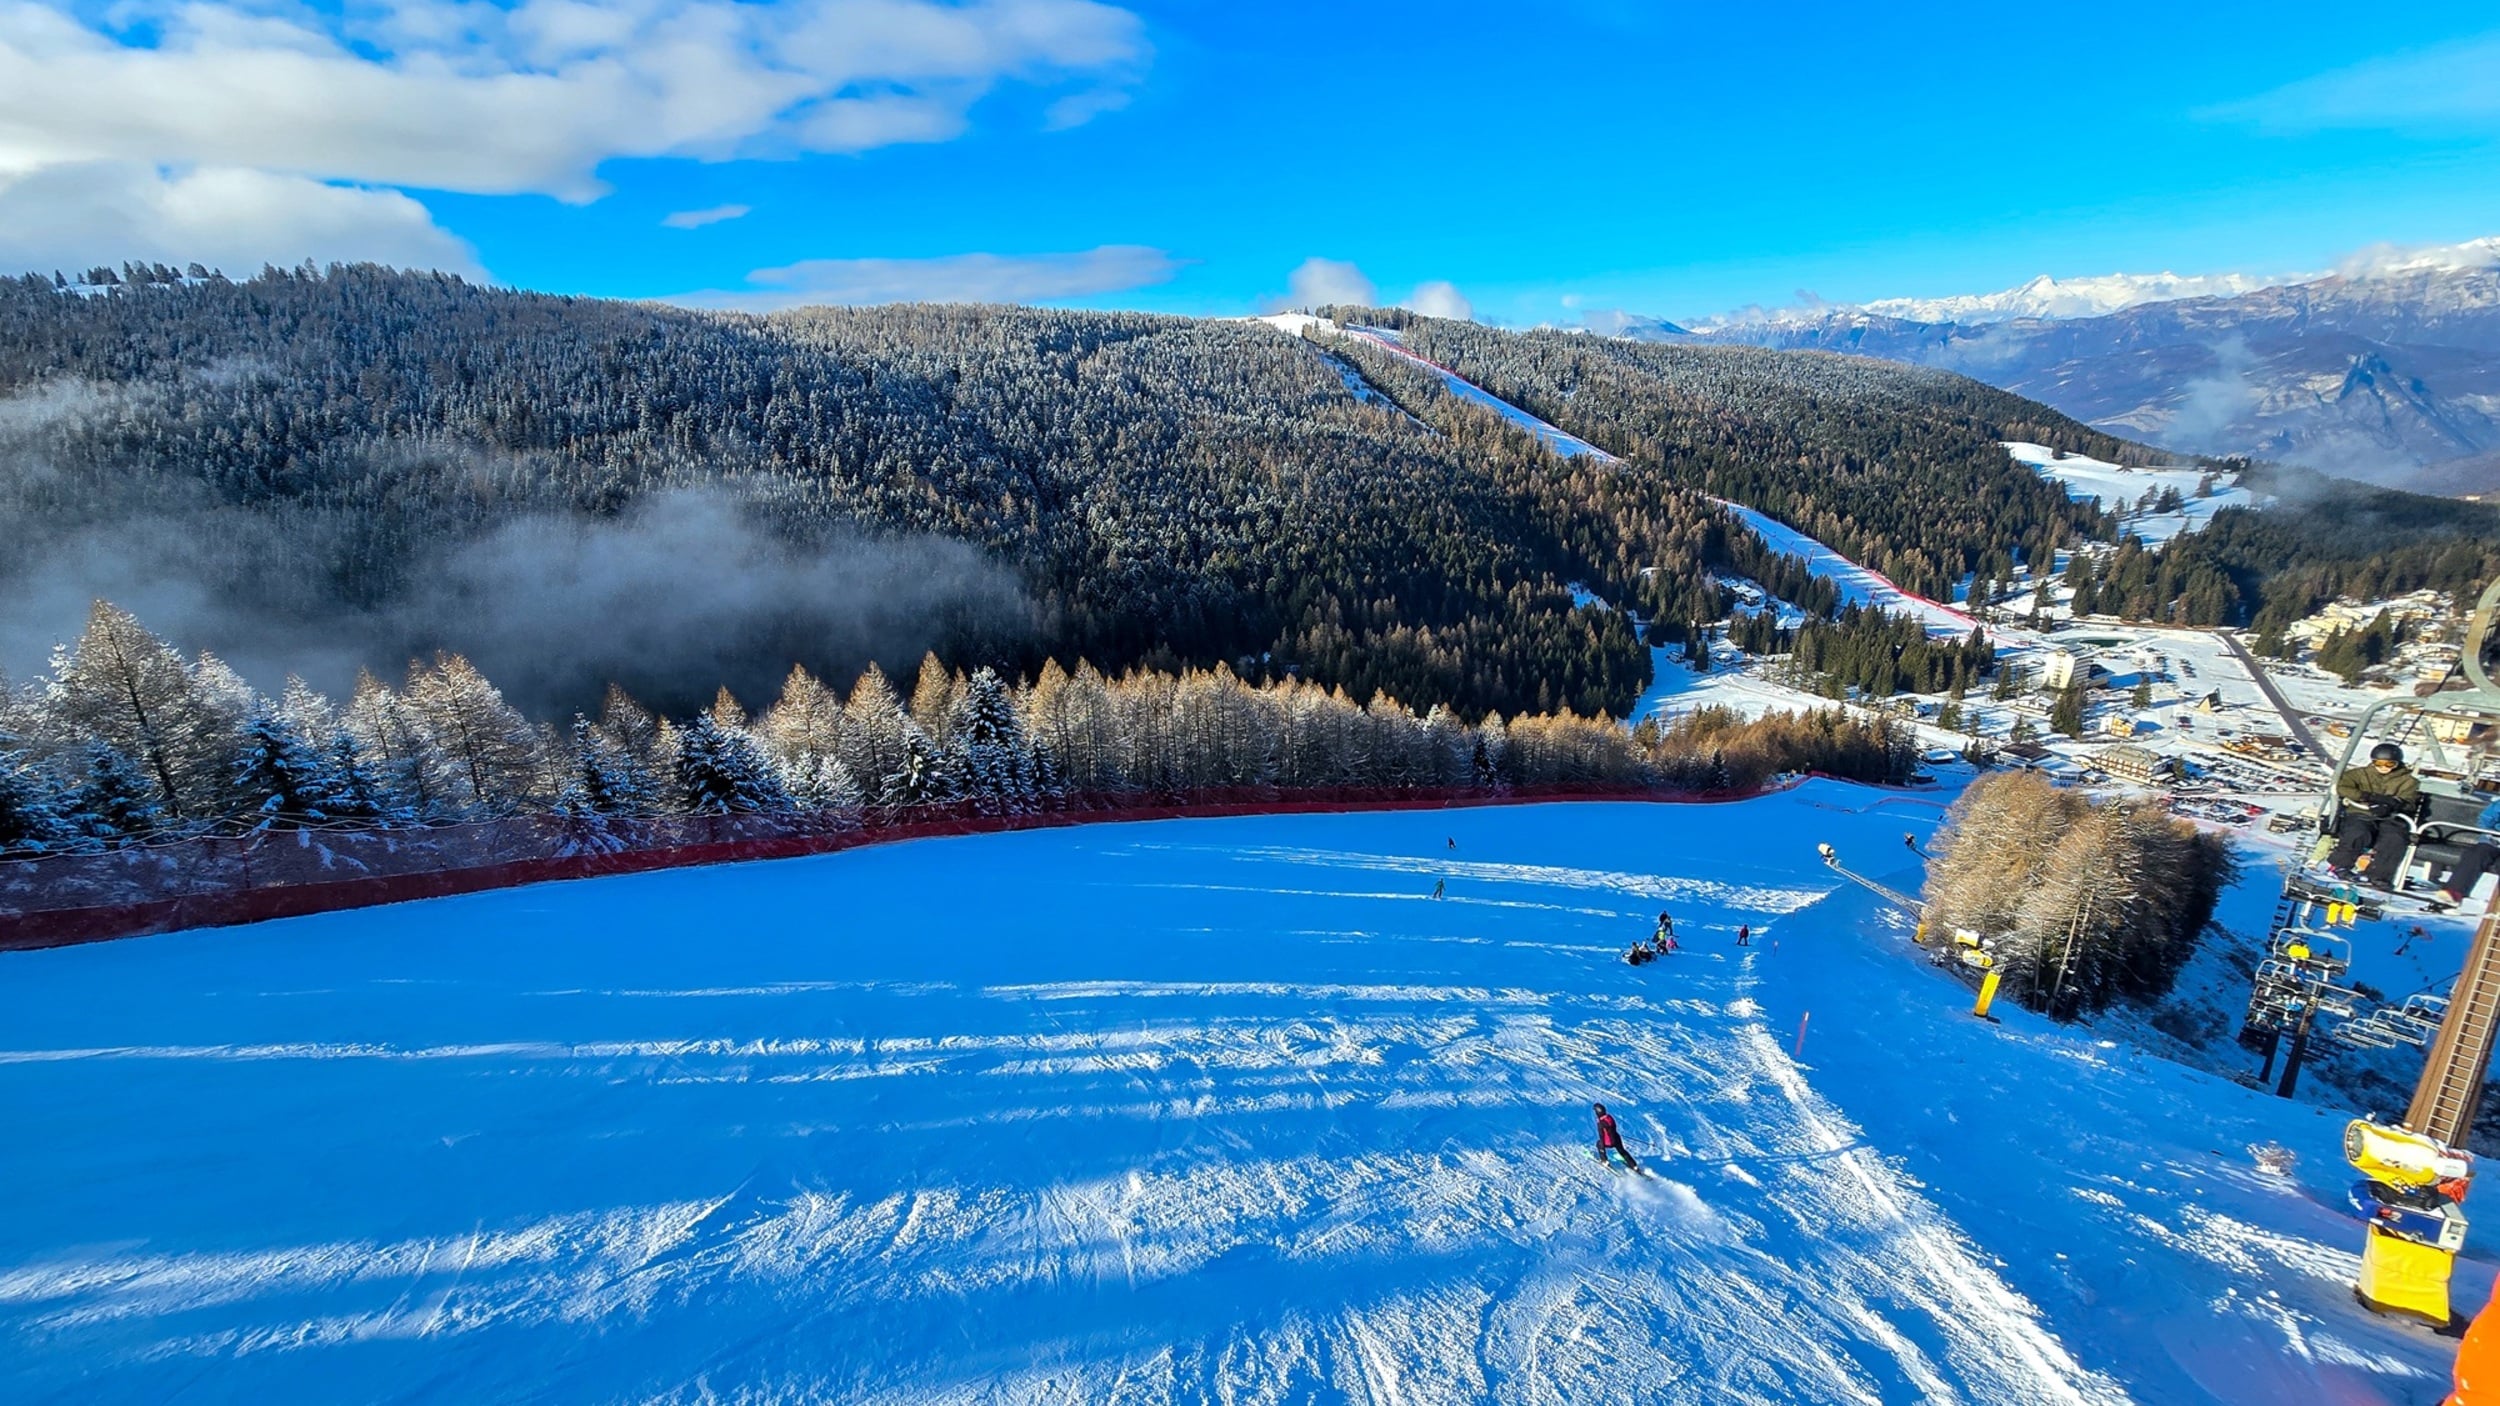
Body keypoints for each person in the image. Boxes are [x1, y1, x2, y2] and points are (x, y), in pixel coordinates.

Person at [2328, 743, 2421, 886]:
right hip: (2361, 812)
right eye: (2378, 763)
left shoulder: (2408, 781)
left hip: (2390, 817)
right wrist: (2367, 796)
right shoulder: (2359, 774)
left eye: (2389, 764)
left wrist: (2392, 804)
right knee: (2359, 832)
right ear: (2373, 761)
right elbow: (2342, 788)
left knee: (2395, 838)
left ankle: (2379, 875)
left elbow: (2410, 800)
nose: (2383, 767)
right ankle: (2340, 866)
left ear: (2397, 763)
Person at [2437, 786, 2500, 906]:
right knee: (2475, 855)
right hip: (2493, 840)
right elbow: (2486, 819)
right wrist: (2491, 833)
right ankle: (2455, 891)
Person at [1593, 1102, 1639, 1171]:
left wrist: (1602, 1146)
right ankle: (1634, 1166)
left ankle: (1604, 1161)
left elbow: (1601, 1135)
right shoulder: (1609, 1117)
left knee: (1599, 1144)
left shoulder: (1600, 1123)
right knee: (1622, 1151)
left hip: (1609, 1142)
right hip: (1617, 1138)